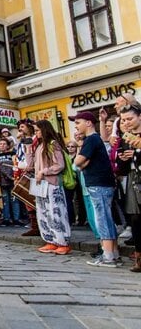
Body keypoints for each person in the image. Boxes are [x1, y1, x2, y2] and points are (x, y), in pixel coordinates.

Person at [69, 111, 119, 266]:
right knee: (106, 217)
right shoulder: (93, 140)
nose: (76, 126)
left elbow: (77, 162)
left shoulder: (91, 140)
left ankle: (108, 255)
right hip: (102, 183)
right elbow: (80, 164)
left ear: (88, 123)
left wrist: (82, 161)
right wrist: (82, 162)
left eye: (78, 122)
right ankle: (114, 253)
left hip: (98, 184)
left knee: (102, 219)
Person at [26, 120, 71, 255]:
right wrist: (28, 150)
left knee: (55, 212)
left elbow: (59, 165)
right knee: (43, 213)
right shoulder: (39, 146)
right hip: (41, 185)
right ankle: (50, 239)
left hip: (52, 184)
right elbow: (31, 165)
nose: (36, 133)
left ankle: (62, 241)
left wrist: (44, 171)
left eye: (38, 131)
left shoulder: (53, 144)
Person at [117, 104, 141, 271]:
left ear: (139, 117)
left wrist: (137, 154)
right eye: (124, 120)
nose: (126, 122)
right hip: (133, 178)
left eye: (130, 119)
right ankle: (139, 258)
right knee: (136, 219)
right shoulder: (126, 137)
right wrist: (122, 159)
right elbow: (122, 168)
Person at [16, 118, 39, 236]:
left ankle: (39, 226)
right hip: (24, 170)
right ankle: (34, 225)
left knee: (35, 199)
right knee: (27, 198)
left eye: (22, 127)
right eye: (19, 128)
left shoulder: (36, 139)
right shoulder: (21, 142)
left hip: (34, 171)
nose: (20, 129)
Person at [0, 137, 19, 226]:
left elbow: (15, 164)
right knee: (5, 200)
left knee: (14, 199)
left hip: (12, 180)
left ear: (8, 145)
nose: (2, 145)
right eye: (0, 144)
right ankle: (6, 218)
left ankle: (16, 219)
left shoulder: (12, 154)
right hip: (2, 181)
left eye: (4, 144)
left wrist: (14, 177)